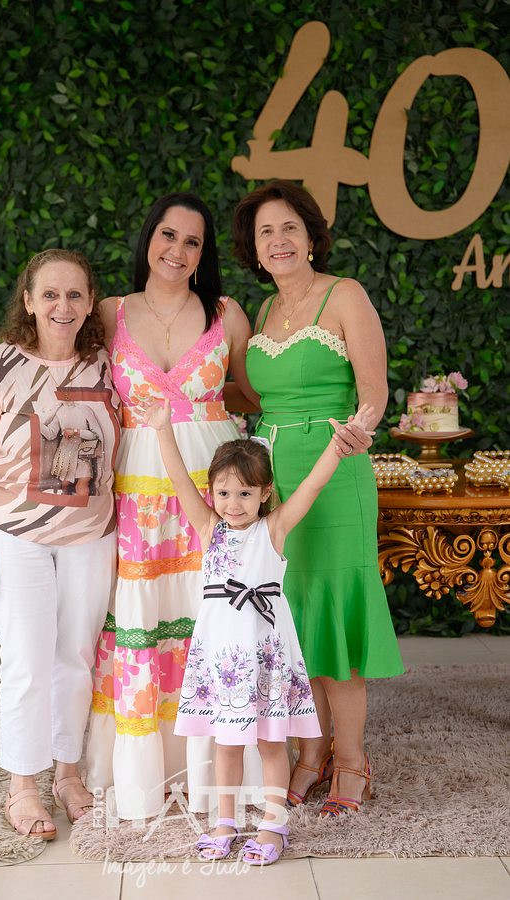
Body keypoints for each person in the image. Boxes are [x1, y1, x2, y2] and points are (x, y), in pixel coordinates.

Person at [85, 192, 261, 820]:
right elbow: (60, 368)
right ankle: (144, 777)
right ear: (148, 238)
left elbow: (253, 393)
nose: (177, 250)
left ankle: (221, 772)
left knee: (213, 616)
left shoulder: (227, 314)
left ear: (203, 253)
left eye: (192, 241)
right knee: (145, 616)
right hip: (137, 491)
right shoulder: (109, 313)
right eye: (168, 235)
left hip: (215, 489)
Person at [233, 180, 405, 817]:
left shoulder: (344, 295)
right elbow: (252, 396)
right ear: (255, 249)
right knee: (292, 619)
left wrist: (357, 430)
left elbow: (374, 391)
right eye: (265, 232)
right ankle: (311, 753)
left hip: (335, 470)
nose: (278, 241)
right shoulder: (262, 312)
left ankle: (352, 761)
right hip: (273, 475)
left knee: (334, 611)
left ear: (310, 236)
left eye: (289, 228)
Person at [144, 396, 376, 864]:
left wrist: (337, 446)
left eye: (246, 494)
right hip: (223, 657)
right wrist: (163, 429)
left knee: (272, 742)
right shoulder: (209, 528)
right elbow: (177, 477)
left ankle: (273, 825)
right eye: (224, 493)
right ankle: (224, 823)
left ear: (265, 492)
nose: (233, 504)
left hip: (265, 654)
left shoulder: (274, 529)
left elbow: (312, 486)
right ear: (212, 492)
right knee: (226, 744)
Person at [0, 249, 120, 838]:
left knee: (76, 658)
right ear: (27, 301)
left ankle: (68, 775)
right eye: (49, 294)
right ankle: (22, 787)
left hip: (90, 537)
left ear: (91, 302)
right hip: (15, 537)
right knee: (26, 661)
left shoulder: (108, 367)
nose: (61, 306)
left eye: (74, 294)